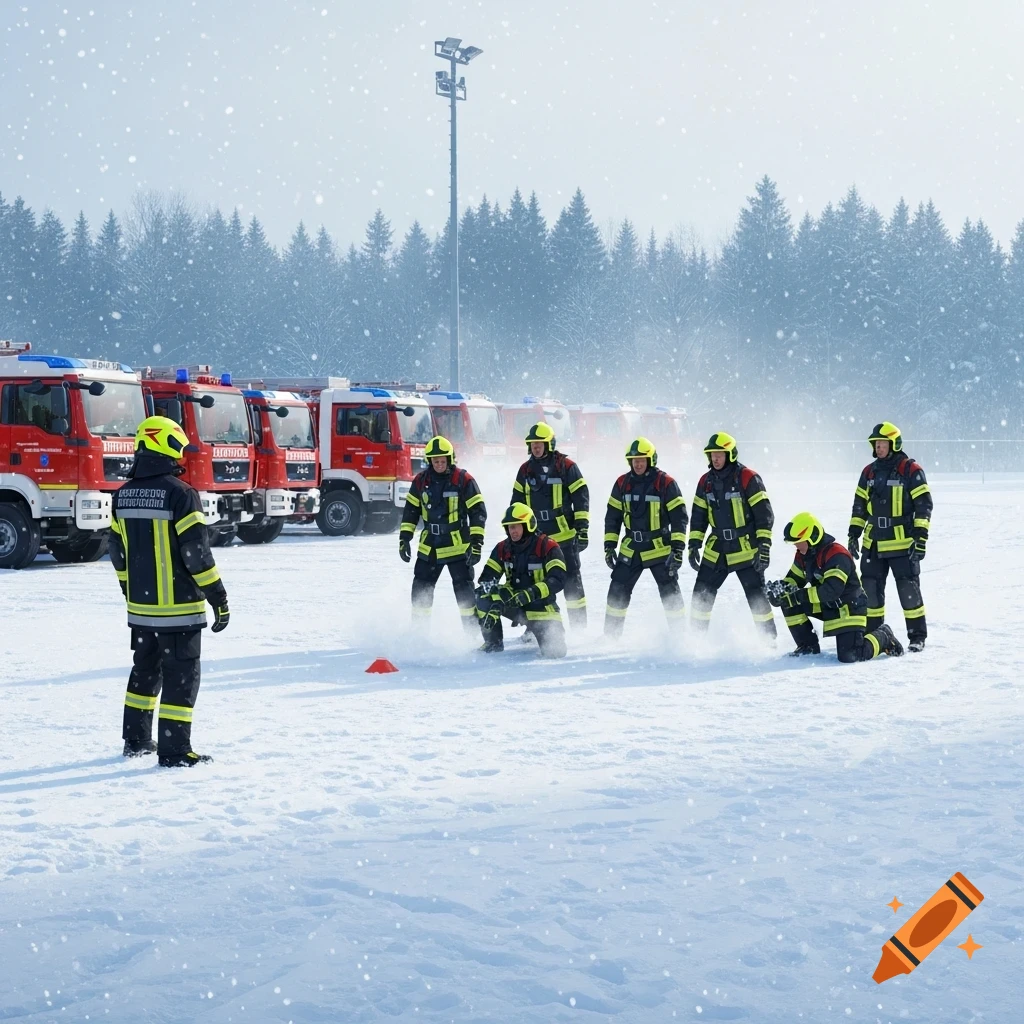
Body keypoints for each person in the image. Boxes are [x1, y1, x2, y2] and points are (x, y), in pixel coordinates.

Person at [108, 416, 230, 768]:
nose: (180, 453)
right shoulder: (181, 494)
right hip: (179, 610)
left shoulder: (123, 495)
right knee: (182, 677)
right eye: (177, 446)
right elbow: (197, 555)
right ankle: (175, 752)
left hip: (141, 610)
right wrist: (218, 598)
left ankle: (135, 741)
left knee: (144, 672)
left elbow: (117, 552)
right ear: (164, 445)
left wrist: (129, 591)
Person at [767, 512, 904, 661]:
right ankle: (807, 646)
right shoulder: (803, 555)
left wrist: (797, 596)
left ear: (812, 537)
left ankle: (883, 636)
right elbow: (794, 579)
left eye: (799, 541)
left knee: (850, 656)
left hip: (849, 608)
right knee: (788, 602)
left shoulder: (837, 554)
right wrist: (780, 590)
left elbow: (831, 591)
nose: (796, 545)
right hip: (827, 606)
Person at [848, 422, 932, 652]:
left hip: (904, 545)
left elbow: (923, 506)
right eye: (876, 444)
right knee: (870, 593)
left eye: (883, 443)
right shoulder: (869, 472)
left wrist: (920, 538)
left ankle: (917, 637)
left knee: (909, 593)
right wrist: (853, 534)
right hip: (873, 544)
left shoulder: (911, 470)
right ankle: (874, 636)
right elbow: (859, 507)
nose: (879, 448)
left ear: (894, 443)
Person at [688, 432, 776, 640]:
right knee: (701, 595)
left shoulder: (748, 477)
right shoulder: (705, 481)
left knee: (757, 597)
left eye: (719, 454)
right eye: (712, 455)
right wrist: (694, 544)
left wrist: (764, 546)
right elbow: (698, 515)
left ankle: (768, 641)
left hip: (746, 548)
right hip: (716, 547)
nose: (715, 458)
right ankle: (695, 640)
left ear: (730, 454)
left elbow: (764, 515)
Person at [399, 435, 487, 633]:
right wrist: (404, 538)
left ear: (450, 459)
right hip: (429, 545)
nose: (439, 464)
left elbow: (478, 512)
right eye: (435, 461)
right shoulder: (421, 481)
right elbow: (411, 511)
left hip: (457, 546)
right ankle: (419, 634)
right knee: (421, 590)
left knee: (465, 594)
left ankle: (472, 635)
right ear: (429, 461)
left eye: (443, 460)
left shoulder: (464, 480)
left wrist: (476, 543)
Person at [603, 437, 688, 637]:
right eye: (634, 460)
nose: (638, 464)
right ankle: (610, 638)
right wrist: (609, 545)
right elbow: (612, 517)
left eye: (642, 459)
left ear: (651, 460)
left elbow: (679, 518)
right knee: (617, 591)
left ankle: (680, 636)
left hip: (659, 548)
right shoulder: (622, 483)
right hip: (631, 547)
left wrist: (677, 549)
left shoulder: (666, 483)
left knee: (670, 594)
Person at [510, 421, 590, 628]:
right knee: (536, 583)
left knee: (572, 582)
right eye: (533, 444)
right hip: (536, 539)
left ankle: (579, 629)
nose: (536, 447)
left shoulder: (567, 467)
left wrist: (582, 529)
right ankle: (535, 628)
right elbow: (517, 503)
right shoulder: (525, 470)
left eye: (540, 443)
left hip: (564, 537)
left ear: (549, 444)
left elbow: (581, 499)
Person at [475, 502, 568, 658]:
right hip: (514, 604)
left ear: (528, 525)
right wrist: (498, 603)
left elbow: (558, 579)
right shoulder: (501, 548)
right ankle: (493, 643)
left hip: (542, 608)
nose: (513, 531)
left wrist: (530, 593)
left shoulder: (548, 546)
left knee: (556, 652)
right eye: (510, 527)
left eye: (516, 526)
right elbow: (487, 580)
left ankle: (533, 629)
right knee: (482, 595)